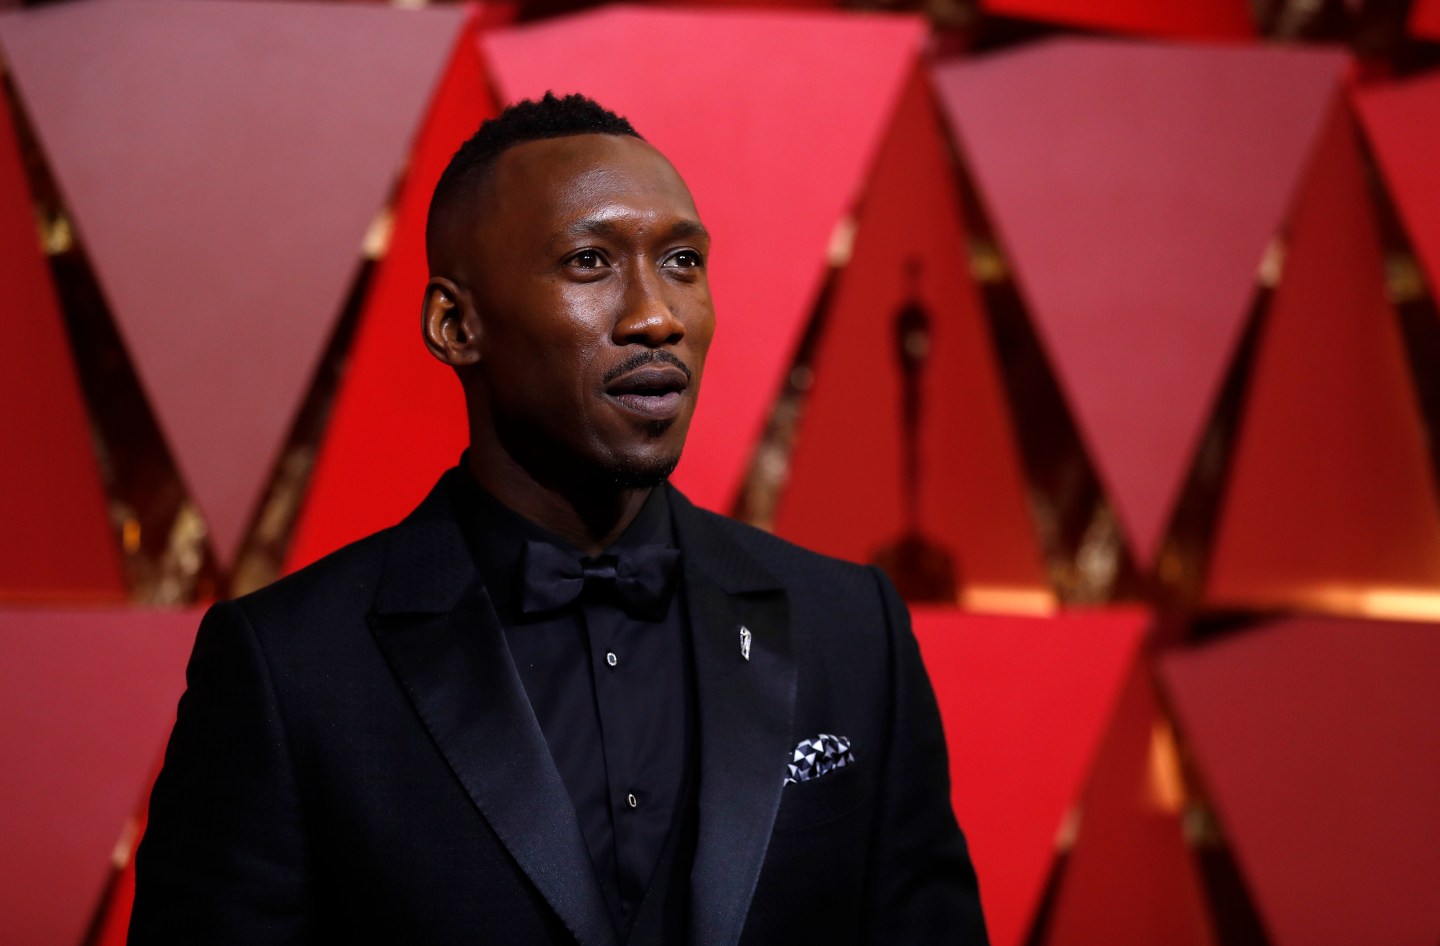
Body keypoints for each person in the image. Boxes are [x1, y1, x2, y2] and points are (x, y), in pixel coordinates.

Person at [130, 92, 987, 946]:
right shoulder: (291, 667)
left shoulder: (851, 631)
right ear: (456, 324)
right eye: (589, 262)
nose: (656, 316)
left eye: (682, 261)